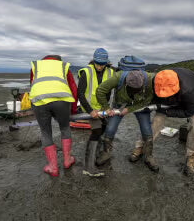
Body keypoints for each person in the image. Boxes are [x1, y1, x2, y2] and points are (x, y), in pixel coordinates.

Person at [129, 68, 194, 175]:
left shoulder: (192, 91)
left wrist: (168, 111)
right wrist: (154, 106)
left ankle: (192, 155)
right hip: (166, 103)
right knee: (156, 122)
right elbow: (153, 100)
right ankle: (141, 147)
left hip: (190, 103)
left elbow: (189, 112)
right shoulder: (156, 80)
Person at [96, 63, 156, 172]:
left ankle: (148, 156)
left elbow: (148, 100)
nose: (134, 91)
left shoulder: (149, 80)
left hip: (140, 104)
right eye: (132, 89)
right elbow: (100, 90)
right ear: (126, 83)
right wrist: (107, 108)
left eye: (137, 89)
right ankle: (106, 153)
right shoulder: (118, 77)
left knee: (146, 128)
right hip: (120, 104)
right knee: (110, 128)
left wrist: (130, 109)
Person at [29, 55, 78, 177]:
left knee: (46, 132)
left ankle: (53, 167)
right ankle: (67, 161)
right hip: (62, 100)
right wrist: (73, 108)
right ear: (58, 61)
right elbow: (73, 87)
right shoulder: (63, 66)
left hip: (39, 101)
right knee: (65, 128)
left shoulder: (36, 66)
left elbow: (33, 84)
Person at [78, 48, 115, 177]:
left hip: (104, 108)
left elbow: (110, 91)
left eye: (102, 64)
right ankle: (88, 166)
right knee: (97, 130)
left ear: (106, 62)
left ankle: (97, 152)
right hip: (90, 108)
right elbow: (80, 94)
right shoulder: (86, 72)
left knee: (104, 128)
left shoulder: (111, 72)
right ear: (94, 60)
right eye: (97, 63)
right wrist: (90, 111)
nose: (99, 66)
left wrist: (107, 107)